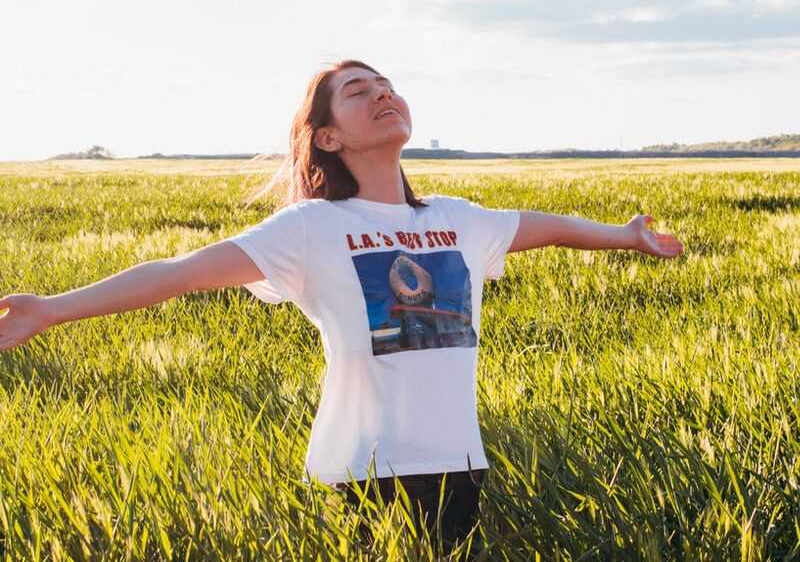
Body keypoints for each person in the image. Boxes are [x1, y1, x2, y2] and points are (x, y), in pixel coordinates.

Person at [0, 59, 683, 555]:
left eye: (387, 85)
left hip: (459, 465)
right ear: (327, 136)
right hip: (365, 474)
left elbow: (555, 227)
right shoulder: (310, 229)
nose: (383, 93)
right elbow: (180, 274)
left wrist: (628, 237)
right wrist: (52, 309)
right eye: (359, 92)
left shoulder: (460, 219)